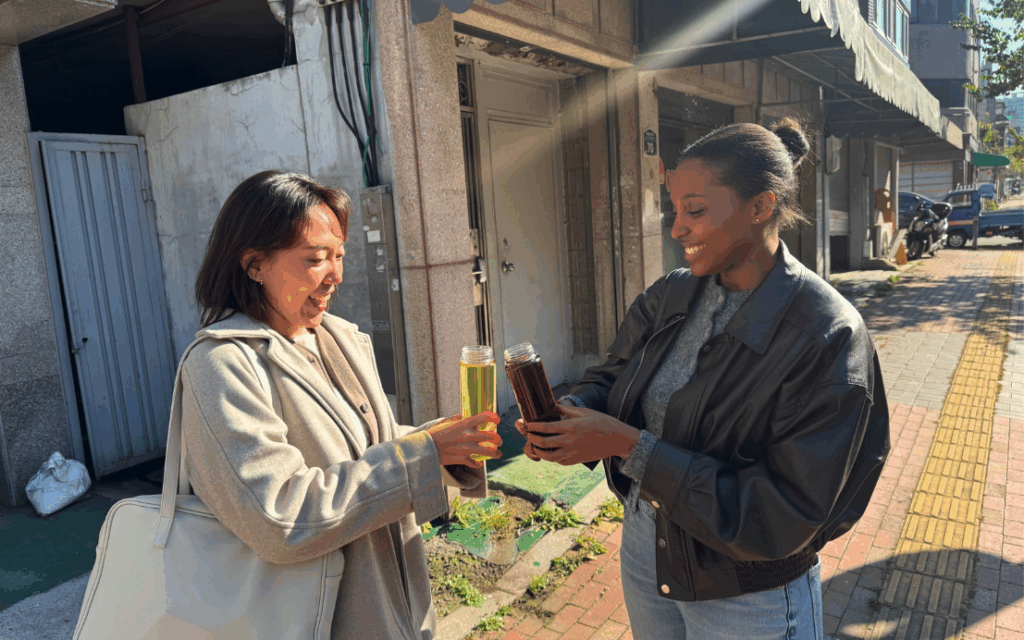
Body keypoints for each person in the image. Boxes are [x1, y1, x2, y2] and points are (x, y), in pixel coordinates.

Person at [517, 118, 890, 639]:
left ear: (761, 206)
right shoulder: (671, 295)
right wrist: (567, 415)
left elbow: (784, 514)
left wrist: (626, 444)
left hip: (748, 590)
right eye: (675, 210)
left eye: (695, 211)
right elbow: (613, 375)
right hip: (650, 548)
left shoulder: (826, 336)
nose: (676, 229)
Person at [180, 170, 501, 639]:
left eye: (340, 255)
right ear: (254, 264)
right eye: (315, 259)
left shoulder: (337, 337)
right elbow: (279, 517)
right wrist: (419, 458)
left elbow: (373, 449)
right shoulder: (221, 364)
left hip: (394, 604)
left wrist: (444, 446)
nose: (336, 276)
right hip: (315, 620)